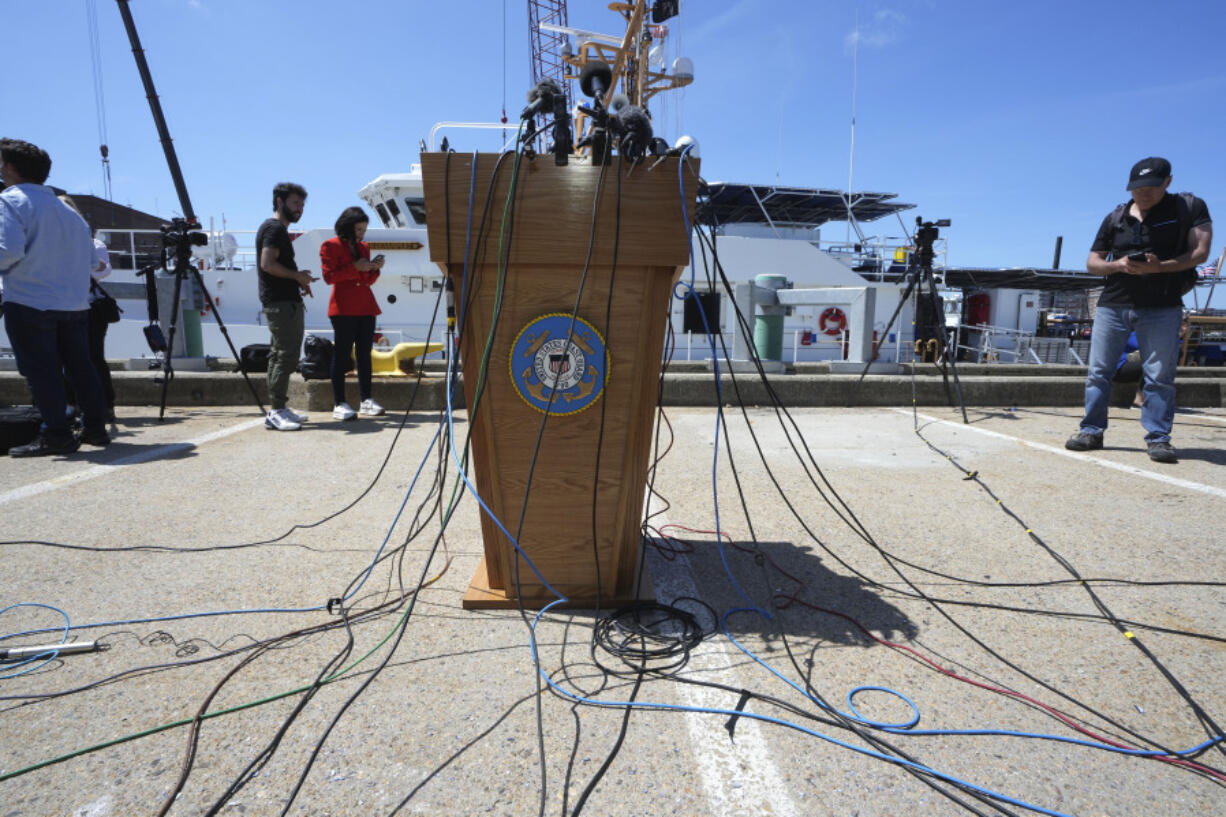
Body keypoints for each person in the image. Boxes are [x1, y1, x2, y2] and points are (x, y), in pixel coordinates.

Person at [1066, 157, 1213, 463]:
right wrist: (1117, 265)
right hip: (1114, 303)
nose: (1143, 193)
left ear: (1168, 182)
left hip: (1162, 305)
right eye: (1137, 188)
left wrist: (1161, 267)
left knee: (1159, 376)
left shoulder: (1188, 207)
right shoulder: (1116, 216)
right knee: (1098, 372)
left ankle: (1158, 438)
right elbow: (1092, 263)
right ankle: (1091, 430)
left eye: (1150, 187)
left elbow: (1200, 253)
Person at [0, 138, 108, 456]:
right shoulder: (68, 211)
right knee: (82, 368)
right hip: (74, 304)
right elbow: (93, 262)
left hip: (30, 300)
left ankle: (56, 434)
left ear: (9, 168)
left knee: (41, 371)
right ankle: (95, 429)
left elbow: (7, 252)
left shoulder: (10, 201)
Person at [256, 182, 317, 431]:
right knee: (286, 355)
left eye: (302, 205)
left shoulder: (275, 228)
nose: (299, 209)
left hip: (283, 300)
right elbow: (267, 264)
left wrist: (299, 278)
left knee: (279, 354)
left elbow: (273, 266)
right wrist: (297, 277)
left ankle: (278, 408)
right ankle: (277, 411)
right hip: (281, 303)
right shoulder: (274, 229)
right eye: (295, 203)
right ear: (280, 202)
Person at [320, 206, 386, 420]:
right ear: (347, 227)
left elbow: (367, 281)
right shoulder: (330, 246)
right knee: (341, 355)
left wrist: (374, 268)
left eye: (364, 229)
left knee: (365, 355)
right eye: (358, 229)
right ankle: (339, 403)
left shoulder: (364, 247)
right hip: (343, 308)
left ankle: (366, 400)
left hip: (366, 307)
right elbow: (329, 277)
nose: (361, 234)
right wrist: (356, 267)